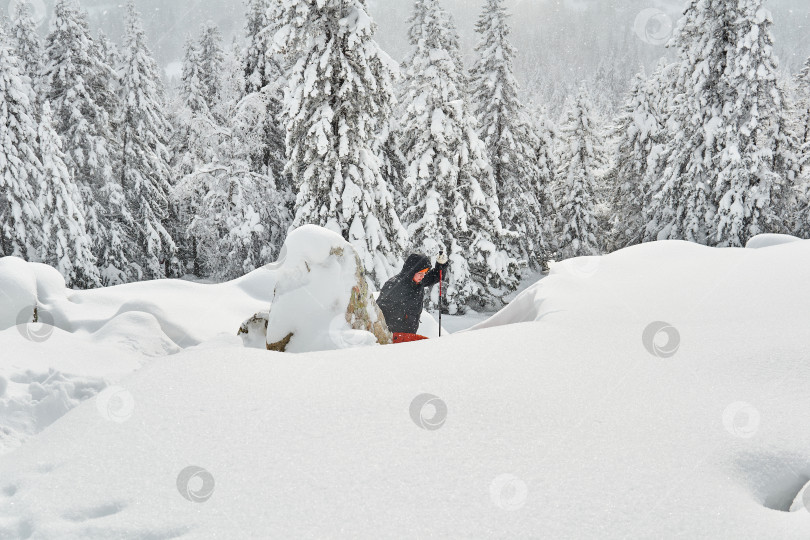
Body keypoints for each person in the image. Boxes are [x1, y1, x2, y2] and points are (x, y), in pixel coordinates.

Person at [376, 252, 449, 338]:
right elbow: (379, 309)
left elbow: (437, 276)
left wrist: (441, 264)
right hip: (394, 335)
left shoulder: (418, 282)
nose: (423, 276)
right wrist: (401, 317)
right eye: (420, 273)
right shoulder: (394, 285)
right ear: (412, 271)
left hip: (409, 333)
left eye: (425, 273)